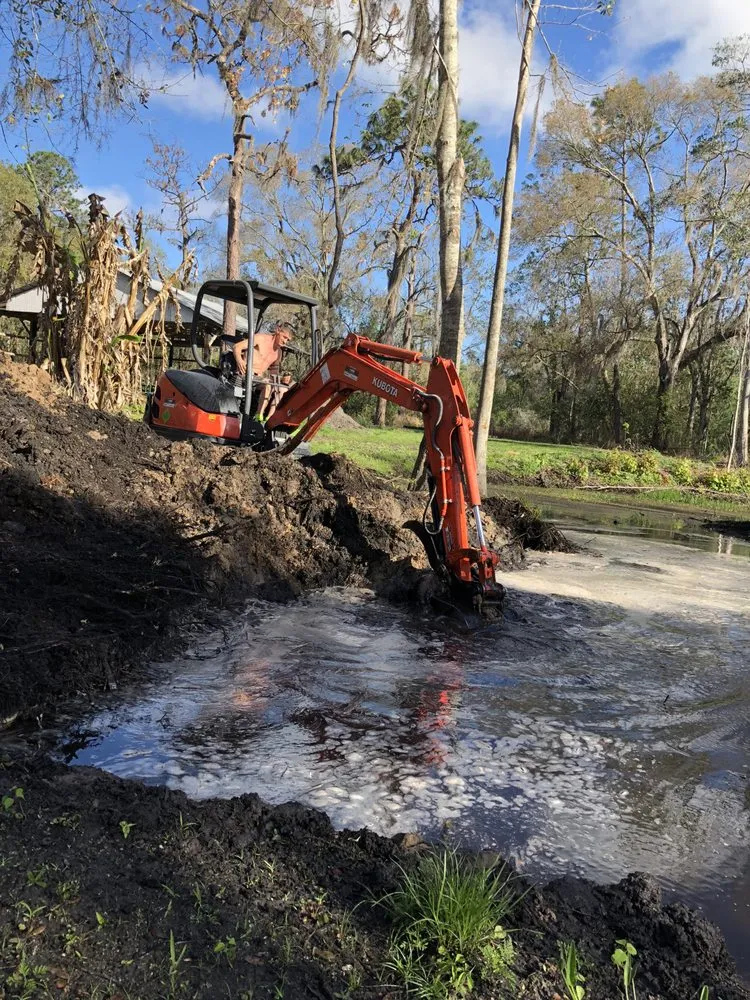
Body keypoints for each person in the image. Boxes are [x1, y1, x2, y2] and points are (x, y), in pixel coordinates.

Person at [231, 320, 295, 419]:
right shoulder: (260, 338)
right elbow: (237, 347)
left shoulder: (278, 353)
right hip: (243, 374)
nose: (285, 341)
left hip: (257, 379)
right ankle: (255, 415)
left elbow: (274, 373)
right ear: (278, 330)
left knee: (276, 387)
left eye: (288, 340)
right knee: (268, 384)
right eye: (284, 337)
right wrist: (240, 361)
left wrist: (280, 383)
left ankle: (260, 418)